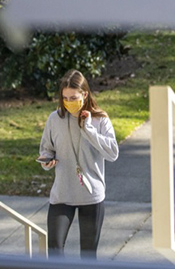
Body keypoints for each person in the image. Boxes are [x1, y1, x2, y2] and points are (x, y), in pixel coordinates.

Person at [37, 69, 119, 258]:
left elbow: (113, 153)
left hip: (92, 196)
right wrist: (46, 162)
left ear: (84, 94)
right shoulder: (54, 119)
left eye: (73, 98)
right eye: (65, 98)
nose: (69, 103)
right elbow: (45, 149)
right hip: (62, 194)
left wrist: (88, 129)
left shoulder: (100, 120)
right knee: (55, 251)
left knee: (88, 257)